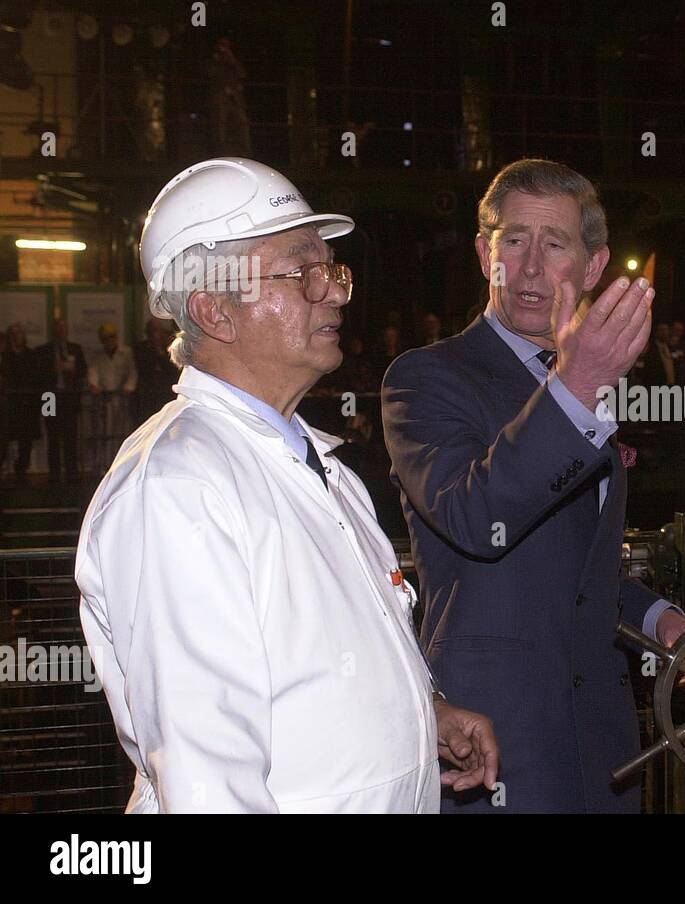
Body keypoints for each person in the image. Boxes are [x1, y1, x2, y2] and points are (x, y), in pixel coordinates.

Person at [77, 157, 497, 813]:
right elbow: (208, 783)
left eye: (331, 272)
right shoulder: (179, 486)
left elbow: (321, 668)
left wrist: (424, 713)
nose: (332, 291)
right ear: (215, 309)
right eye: (303, 272)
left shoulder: (325, 470)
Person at [382, 158, 685, 813]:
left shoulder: (580, 381)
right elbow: (475, 517)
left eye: (554, 245)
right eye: (512, 241)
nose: (528, 267)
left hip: (603, 748)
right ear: (481, 253)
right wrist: (579, 388)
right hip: (490, 746)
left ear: (591, 266)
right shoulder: (426, 379)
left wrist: (653, 616)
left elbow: (572, 561)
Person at [35, 317, 87, 484]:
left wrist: (72, 369)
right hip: (49, 397)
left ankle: (71, 473)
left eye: (63, 328)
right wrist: (53, 369)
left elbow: (83, 371)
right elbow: (37, 374)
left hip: (69, 397)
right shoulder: (43, 351)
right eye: (58, 328)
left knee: (70, 436)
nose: (61, 331)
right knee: (52, 435)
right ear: (53, 331)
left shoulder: (75, 349)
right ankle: (54, 474)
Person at [87, 323, 138, 474]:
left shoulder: (126, 353)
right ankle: (103, 464)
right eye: (105, 338)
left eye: (111, 337)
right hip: (104, 400)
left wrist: (129, 387)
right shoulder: (98, 357)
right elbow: (93, 373)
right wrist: (94, 385)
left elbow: (133, 373)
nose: (109, 341)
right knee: (104, 433)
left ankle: (119, 465)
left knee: (121, 433)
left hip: (122, 399)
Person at [2, 324, 40, 482]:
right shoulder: (5, 356)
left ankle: (21, 470)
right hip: (8, 406)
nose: (17, 337)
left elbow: (40, 382)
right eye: (14, 334)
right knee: (4, 441)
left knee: (26, 442)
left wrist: (47, 410)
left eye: (19, 334)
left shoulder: (32, 355)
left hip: (28, 406)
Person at [132, 316, 181, 425]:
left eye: (157, 331)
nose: (154, 335)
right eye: (151, 332)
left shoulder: (169, 349)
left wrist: (160, 351)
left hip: (166, 393)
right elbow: (143, 368)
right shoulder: (141, 348)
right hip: (148, 395)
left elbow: (173, 370)